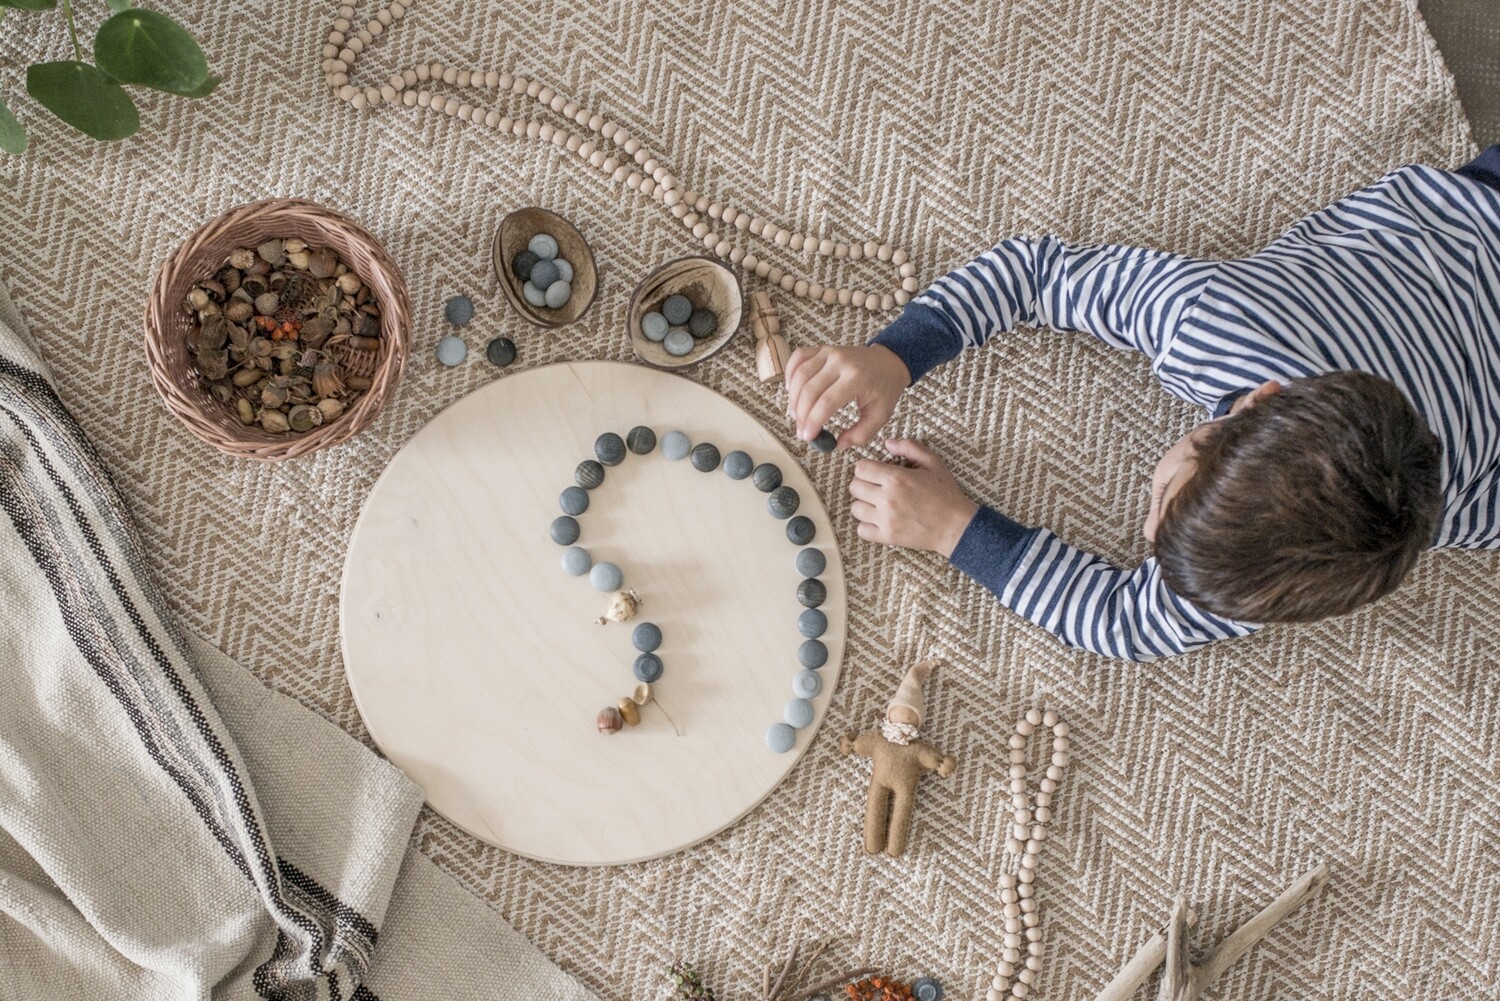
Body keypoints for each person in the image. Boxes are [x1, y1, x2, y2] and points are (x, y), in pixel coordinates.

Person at [786, 146, 1500, 661]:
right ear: (1256, 399)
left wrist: (955, 528)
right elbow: (1034, 274)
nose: (1147, 526)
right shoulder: (1213, 320)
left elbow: (1121, 621)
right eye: (1165, 494)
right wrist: (896, 354)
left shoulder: (1288, 564)